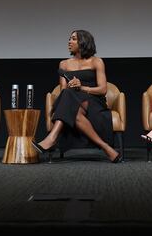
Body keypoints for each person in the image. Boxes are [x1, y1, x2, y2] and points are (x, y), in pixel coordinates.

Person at [32, 30, 121, 163]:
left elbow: (102, 90)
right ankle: (106, 147)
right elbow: (63, 91)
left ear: (83, 42)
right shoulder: (64, 64)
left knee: (69, 101)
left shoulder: (96, 61)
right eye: (69, 38)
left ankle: (52, 138)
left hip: (94, 101)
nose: (69, 41)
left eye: (73, 39)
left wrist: (82, 87)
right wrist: (71, 87)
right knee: (70, 100)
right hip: (72, 100)